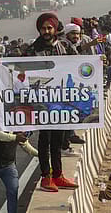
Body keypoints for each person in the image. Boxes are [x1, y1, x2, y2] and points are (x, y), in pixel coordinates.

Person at [25, 13, 77, 192]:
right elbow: (22, 71)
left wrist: (97, 63)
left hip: (61, 100)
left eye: (49, 28)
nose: (46, 31)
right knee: (44, 139)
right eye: (43, 28)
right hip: (42, 101)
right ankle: (46, 176)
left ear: (55, 28)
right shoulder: (33, 50)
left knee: (58, 139)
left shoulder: (65, 45)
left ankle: (58, 175)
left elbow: (79, 63)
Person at [0, 119, 38, 213]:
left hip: (9, 166)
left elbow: (26, 145)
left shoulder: (17, 127)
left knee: (13, 191)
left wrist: (41, 155)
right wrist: (15, 137)